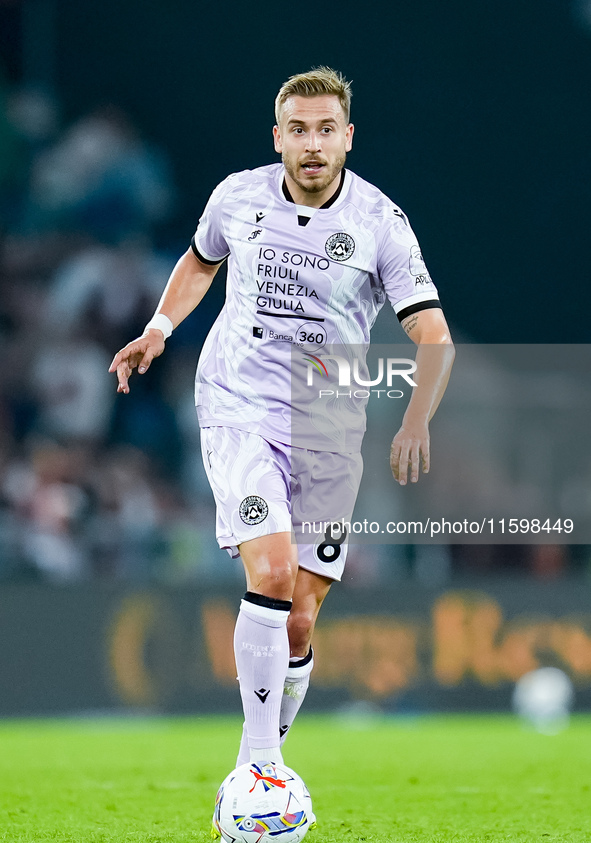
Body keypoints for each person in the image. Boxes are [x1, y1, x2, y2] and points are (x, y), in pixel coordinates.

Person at [109, 67, 454, 771]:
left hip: (328, 428)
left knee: (298, 617)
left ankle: (265, 754)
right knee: (268, 569)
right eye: (298, 130)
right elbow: (201, 260)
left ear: (347, 138)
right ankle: (257, 766)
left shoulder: (378, 223)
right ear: (278, 137)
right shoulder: (237, 196)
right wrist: (160, 326)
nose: (312, 143)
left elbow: (433, 337)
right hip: (238, 403)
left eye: (326, 129)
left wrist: (414, 422)